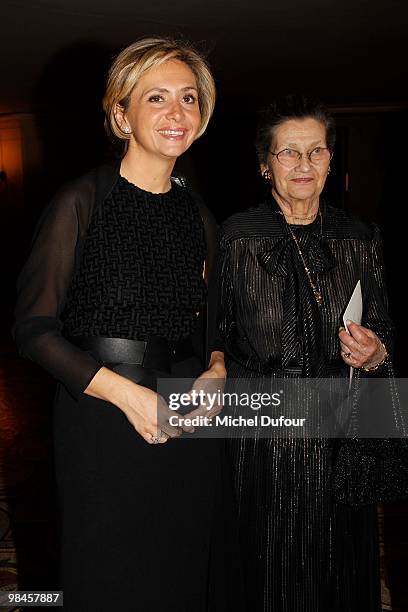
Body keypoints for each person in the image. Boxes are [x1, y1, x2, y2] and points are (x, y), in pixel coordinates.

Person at [13, 37, 238, 611]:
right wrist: (129, 398)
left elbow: (213, 327)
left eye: (189, 98)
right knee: (110, 575)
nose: (176, 112)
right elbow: (34, 329)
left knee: (186, 566)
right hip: (103, 412)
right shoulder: (80, 200)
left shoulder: (200, 214)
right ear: (121, 115)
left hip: (187, 410)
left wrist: (215, 370)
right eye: (156, 97)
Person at [212, 94, 405, 611]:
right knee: (270, 564)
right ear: (264, 164)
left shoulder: (361, 237)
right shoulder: (234, 238)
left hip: (341, 430)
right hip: (263, 435)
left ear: (330, 160)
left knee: (340, 561)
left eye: (315, 152)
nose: (303, 165)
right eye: (288, 153)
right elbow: (215, 337)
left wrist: (376, 352)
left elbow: (384, 326)